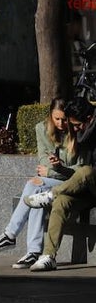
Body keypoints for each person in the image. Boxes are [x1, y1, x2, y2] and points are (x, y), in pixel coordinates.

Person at [0, 99, 85, 268]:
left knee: (34, 185)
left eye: (64, 119)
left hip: (72, 182)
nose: (61, 123)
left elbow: (81, 170)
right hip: (51, 180)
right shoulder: (42, 129)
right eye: (57, 119)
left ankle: (13, 236)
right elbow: (43, 161)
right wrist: (54, 169)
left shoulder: (77, 131)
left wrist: (56, 169)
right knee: (35, 190)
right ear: (50, 116)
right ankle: (31, 251)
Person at [23, 98, 96, 272]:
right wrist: (59, 168)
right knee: (61, 201)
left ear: (89, 118)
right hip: (87, 191)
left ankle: (51, 194)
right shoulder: (85, 132)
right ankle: (48, 256)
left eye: (77, 125)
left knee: (86, 170)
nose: (75, 130)